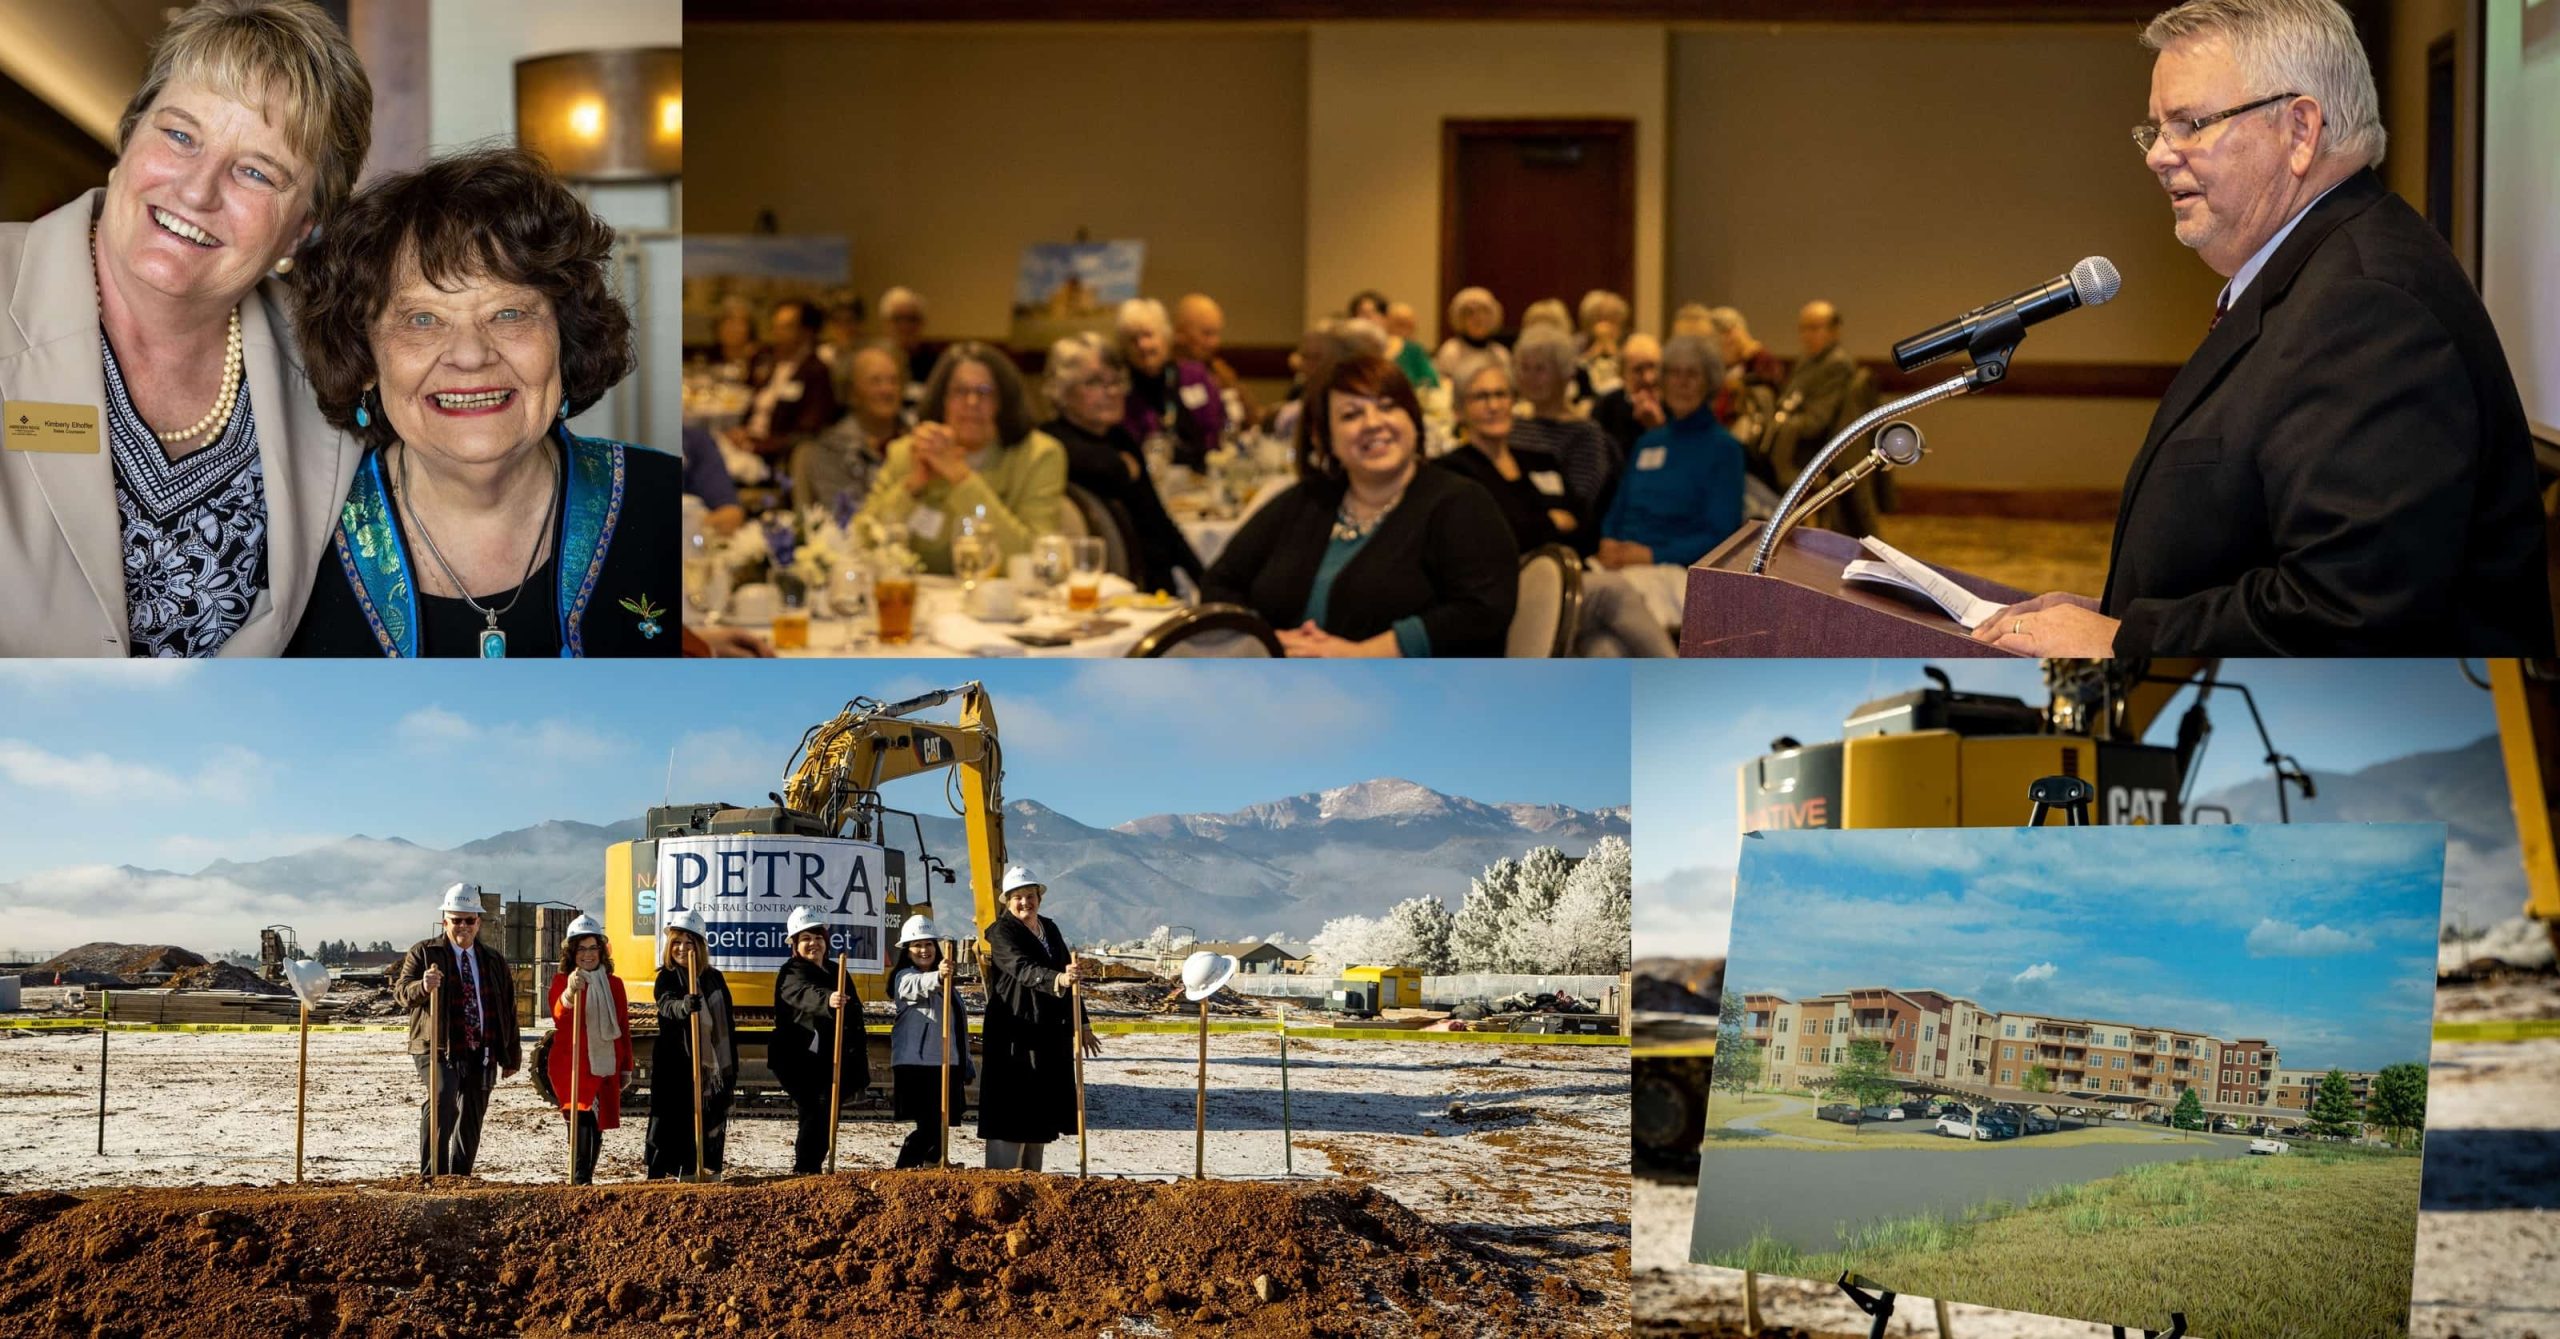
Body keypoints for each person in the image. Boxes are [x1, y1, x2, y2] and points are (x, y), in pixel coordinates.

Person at [1982, 0, 2549, 656]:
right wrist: (2109, 617)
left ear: (2300, 130)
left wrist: (2123, 639)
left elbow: (2347, 614)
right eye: (2156, 129)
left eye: (2190, 123)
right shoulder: (2317, 274)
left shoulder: (2368, 306)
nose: (2158, 157)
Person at [0, 0, 372, 657]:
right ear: (128, 136)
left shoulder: (333, 366)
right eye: (179, 135)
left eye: (257, 171)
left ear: (303, 228)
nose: (198, 191)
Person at [285, 147, 679, 658]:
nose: (470, 356)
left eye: (510, 313)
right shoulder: (294, 542)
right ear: (362, 360)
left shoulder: (669, 503)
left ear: (565, 338)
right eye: (422, 320)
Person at [1204, 354, 1516, 657]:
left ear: (1413, 420)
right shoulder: (1308, 501)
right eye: (1351, 414)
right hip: (1286, 688)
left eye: (1387, 407)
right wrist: (1269, 639)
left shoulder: (1460, 502)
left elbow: (1483, 609)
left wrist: (1365, 653)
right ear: (1324, 438)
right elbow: (1220, 582)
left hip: (1413, 695)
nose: (1373, 423)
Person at [1441, 359, 1675, 657]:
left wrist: (1540, 525)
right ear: (1459, 410)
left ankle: (1624, 703)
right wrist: (1551, 522)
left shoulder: (1539, 460)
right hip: (1511, 591)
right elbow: (1501, 540)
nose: (1494, 405)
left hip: (1569, 581)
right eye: (1481, 397)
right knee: (1613, 591)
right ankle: (1682, 678)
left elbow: (1587, 528)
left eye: (1501, 395)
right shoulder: (1454, 472)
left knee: (1604, 646)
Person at [855, 343, 1066, 575]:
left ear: (1003, 402)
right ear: (941, 400)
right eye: (959, 391)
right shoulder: (910, 451)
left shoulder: (1040, 455)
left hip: (1003, 604)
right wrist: (911, 487)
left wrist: (962, 478)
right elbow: (860, 543)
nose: (972, 403)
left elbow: (1033, 557)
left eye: (985, 392)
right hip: (921, 603)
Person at [1042, 333, 1201, 592]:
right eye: (1094, 382)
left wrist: (1207, 582)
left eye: (1116, 381)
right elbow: (1110, 469)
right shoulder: (1052, 443)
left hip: (1155, 589)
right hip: (1102, 589)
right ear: (1062, 391)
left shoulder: (1121, 439)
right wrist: (1120, 466)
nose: (1112, 392)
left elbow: (1159, 520)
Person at [394, 882, 520, 1176]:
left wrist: (511, 1054)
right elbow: (401, 993)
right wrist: (422, 987)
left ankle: (460, 1178)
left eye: (469, 920)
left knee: (472, 1114)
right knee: (443, 1099)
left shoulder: (492, 960)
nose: (463, 926)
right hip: (437, 1045)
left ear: (479, 922)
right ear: (444, 921)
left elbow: (508, 1009)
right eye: (456, 920)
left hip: (482, 1047)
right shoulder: (424, 953)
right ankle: (432, 1175)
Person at [978, 866, 1099, 1171]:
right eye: (1018, 897)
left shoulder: (1049, 929)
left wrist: (1080, 1022)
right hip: (1014, 1028)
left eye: (1030, 896)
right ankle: (1002, 1177)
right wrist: (1056, 980)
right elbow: (1020, 967)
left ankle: (1034, 1178)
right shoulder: (1002, 933)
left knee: (1039, 1105)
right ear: (1008, 901)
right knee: (1012, 1103)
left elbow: (1070, 979)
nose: (1025, 903)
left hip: (1047, 1032)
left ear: (1039, 898)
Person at [1600, 334, 1744, 572]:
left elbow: (1722, 535)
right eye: (1674, 374)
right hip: (1621, 563)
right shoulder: (1648, 441)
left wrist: (1653, 555)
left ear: (1709, 383)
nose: (1682, 383)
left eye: (1692, 374)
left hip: (1676, 570)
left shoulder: (1724, 449)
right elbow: (1619, 507)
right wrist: (1608, 539)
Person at [769, 906, 863, 1176]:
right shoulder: (790, 973)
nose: (814, 944)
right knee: (816, 1107)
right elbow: (802, 994)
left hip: (827, 1056)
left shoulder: (836, 969)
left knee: (826, 1111)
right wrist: (828, 1000)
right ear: (795, 944)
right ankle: (806, 1168)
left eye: (818, 938)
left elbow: (854, 1011)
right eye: (806, 939)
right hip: (796, 1057)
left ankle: (812, 1167)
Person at [647, 908, 738, 1180]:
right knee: (672, 1118)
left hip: (713, 1065)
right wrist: (684, 1006)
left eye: (689, 942)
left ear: (699, 946)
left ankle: (706, 1167)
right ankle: (668, 1171)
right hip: (676, 1063)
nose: (682, 948)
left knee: (710, 1115)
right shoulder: (666, 976)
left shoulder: (714, 978)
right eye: (677, 942)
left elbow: (727, 1024)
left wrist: (731, 1062)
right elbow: (666, 1005)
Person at [1506, 327, 1624, 529]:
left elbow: (1577, 506)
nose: (1530, 377)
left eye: (1540, 369)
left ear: (1565, 374)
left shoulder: (1584, 433)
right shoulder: (1512, 425)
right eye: (1524, 368)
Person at [546, 913, 631, 1185]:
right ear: (572, 952)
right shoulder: (563, 981)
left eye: (593, 947)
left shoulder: (614, 984)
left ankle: (586, 1178)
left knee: (595, 1124)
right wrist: (571, 992)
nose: (587, 954)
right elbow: (559, 1015)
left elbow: (622, 1025)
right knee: (579, 1116)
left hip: (603, 1063)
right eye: (581, 948)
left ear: (601, 951)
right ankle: (579, 1180)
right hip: (571, 1064)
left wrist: (626, 1065)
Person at [889, 913, 973, 1170]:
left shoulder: (950, 986)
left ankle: (933, 1163)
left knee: (943, 1122)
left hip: (946, 1061)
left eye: (928, 944)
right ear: (907, 950)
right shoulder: (904, 977)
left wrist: (965, 1061)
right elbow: (915, 986)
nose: (923, 950)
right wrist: (938, 977)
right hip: (919, 1065)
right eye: (917, 945)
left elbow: (957, 1027)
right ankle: (905, 1169)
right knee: (928, 1124)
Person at [792, 340, 908, 514]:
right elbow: (846, 519)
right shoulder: (828, 450)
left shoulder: (920, 441)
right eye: (875, 381)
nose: (887, 390)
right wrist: (910, 490)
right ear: (852, 392)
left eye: (894, 380)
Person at [1116, 298, 1226, 471]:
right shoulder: (1120, 390)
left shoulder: (1195, 376)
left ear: (1165, 336)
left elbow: (1219, 425)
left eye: (1148, 335)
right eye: (1133, 339)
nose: (1142, 345)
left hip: (1205, 475)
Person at [728, 298, 839, 460]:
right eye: (776, 326)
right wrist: (741, 431)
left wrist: (757, 446)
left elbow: (807, 434)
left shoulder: (816, 372)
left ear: (806, 331)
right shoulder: (768, 361)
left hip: (772, 455)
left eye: (786, 327)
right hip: (746, 443)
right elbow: (752, 401)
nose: (777, 333)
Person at [1173, 292, 1263, 432]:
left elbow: (1252, 417)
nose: (1215, 343)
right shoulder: (1167, 373)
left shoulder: (1219, 370)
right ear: (1180, 332)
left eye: (1217, 333)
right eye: (1207, 334)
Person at [1590, 333, 1663, 457]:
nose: (1648, 378)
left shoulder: (1674, 405)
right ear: (1622, 374)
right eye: (1638, 370)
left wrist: (1658, 427)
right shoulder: (1606, 407)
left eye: (1653, 367)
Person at [1433, 287, 1509, 387]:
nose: (1478, 318)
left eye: (1484, 312)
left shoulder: (1500, 354)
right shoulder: (1450, 352)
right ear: (1460, 319)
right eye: (1470, 313)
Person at [1576, 289, 1631, 399]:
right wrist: (1595, 351)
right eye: (1601, 319)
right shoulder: (1578, 343)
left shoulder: (1629, 343)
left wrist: (1613, 350)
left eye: (1613, 319)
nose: (1607, 326)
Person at [880, 286, 935, 388]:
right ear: (886, 323)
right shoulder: (875, 361)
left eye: (912, 319)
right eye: (898, 319)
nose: (905, 326)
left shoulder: (935, 364)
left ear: (922, 323)